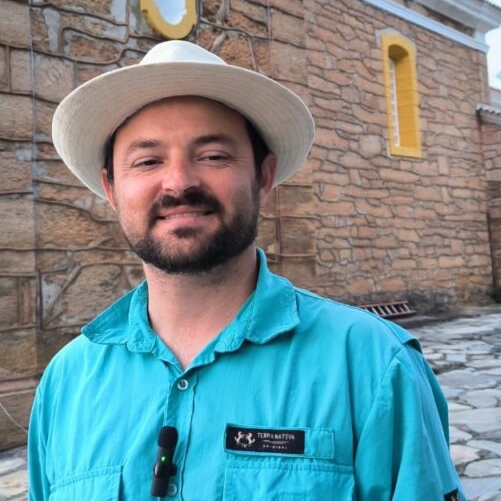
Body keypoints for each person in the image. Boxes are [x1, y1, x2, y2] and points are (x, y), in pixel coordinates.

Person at [28, 40, 464, 501]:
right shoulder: (65, 383)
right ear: (112, 189)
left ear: (263, 176)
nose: (179, 182)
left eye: (214, 155)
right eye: (148, 161)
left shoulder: (375, 366)